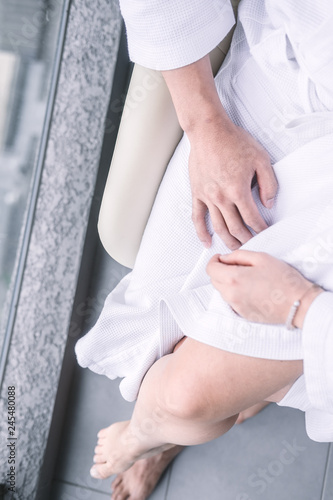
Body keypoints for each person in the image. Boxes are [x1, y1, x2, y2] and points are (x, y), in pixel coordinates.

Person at [74, 0, 333, 498]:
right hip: (284, 85)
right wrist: (206, 125)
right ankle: (193, 419)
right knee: (163, 345)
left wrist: (301, 309)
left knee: (187, 399)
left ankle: (145, 436)